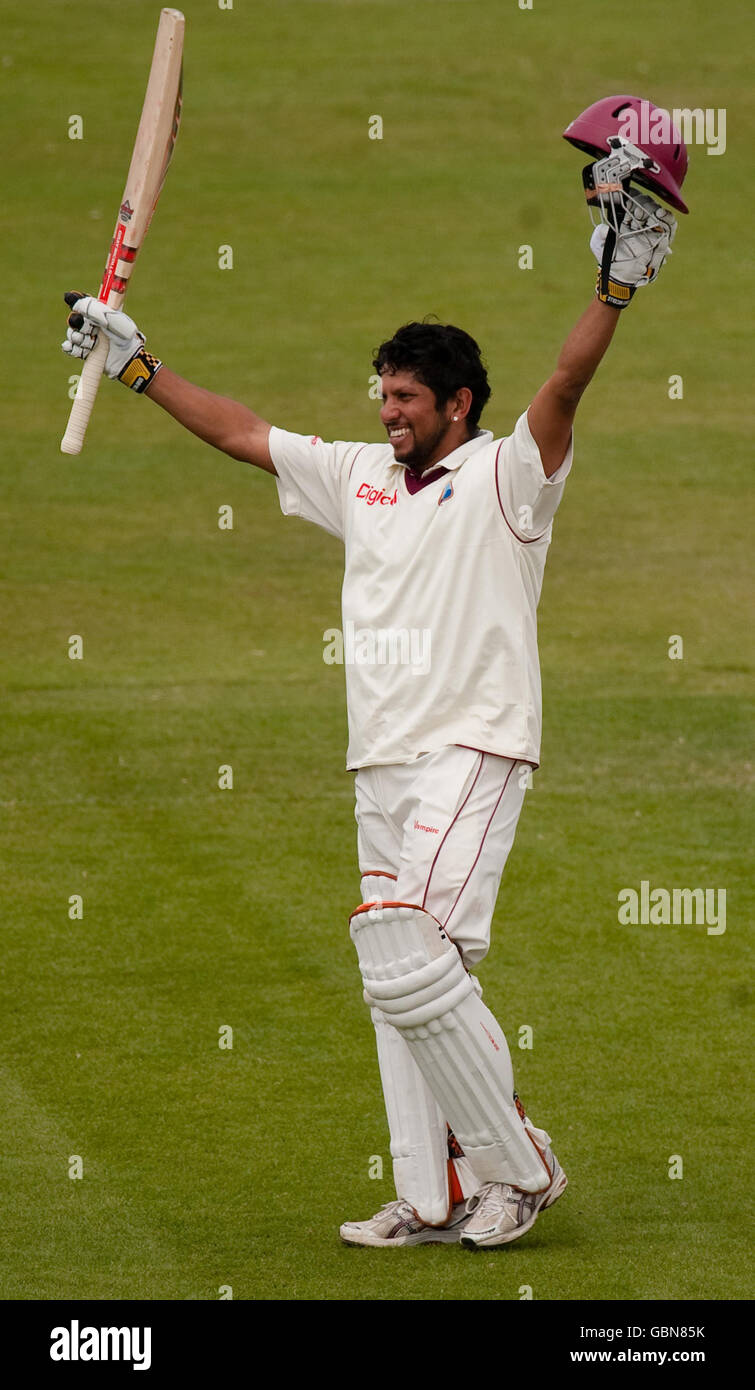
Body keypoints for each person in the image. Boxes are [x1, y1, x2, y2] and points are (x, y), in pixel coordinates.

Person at [61, 143, 679, 1249]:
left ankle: (520, 1169)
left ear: (458, 402)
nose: (388, 413)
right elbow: (245, 434)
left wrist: (613, 286)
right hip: (378, 760)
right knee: (397, 980)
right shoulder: (355, 475)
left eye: (406, 399)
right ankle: (433, 1195)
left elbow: (563, 386)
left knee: (407, 948)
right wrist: (139, 369)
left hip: (475, 744)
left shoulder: (507, 477)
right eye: (381, 396)